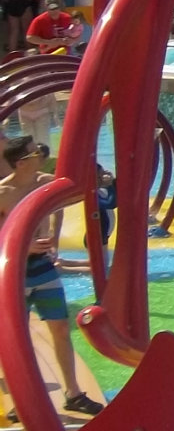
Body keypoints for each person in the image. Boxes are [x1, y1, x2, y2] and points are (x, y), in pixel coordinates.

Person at [0, 139, 103, 416]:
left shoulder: (45, 184)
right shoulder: (3, 193)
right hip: (14, 272)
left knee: (60, 329)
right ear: (22, 162)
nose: (42, 155)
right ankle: (20, 399)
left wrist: (98, 177)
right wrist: (25, 244)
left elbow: (79, 193)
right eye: (36, 153)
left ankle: (73, 393)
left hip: (43, 268)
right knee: (14, 337)